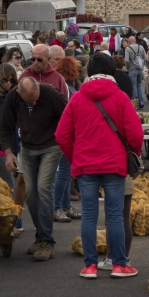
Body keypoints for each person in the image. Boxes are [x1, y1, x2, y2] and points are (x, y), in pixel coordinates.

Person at [55, 53, 143, 278]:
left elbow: (62, 135)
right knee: (114, 215)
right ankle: (119, 265)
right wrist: (135, 152)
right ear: (111, 71)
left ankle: (90, 266)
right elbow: (135, 133)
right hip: (114, 164)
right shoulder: (120, 97)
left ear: (89, 72)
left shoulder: (77, 98)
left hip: (85, 164)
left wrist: (75, 158)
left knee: (89, 216)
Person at [0, 77, 67, 261]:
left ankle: (47, 241)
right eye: (30, 101)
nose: (34, 103)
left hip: (51, 146)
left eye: (36, 99)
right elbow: (5, 127)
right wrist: (8, 153)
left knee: (43, 188)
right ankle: (41, 236)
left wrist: (66, 143)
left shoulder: (52, 94)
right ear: (20, 94)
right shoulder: (12, 98)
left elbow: (69, 117)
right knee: (30, 192)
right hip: (28, 148)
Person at [53, 57, 82, 223]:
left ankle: (65, 206)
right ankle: (58, 207)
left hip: (60, 133)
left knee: (65, 172)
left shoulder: (59, 84)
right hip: (67, 134)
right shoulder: (68, 88)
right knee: (64, 172)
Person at [0, 63, 18, 189]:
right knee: (8, 186)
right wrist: (4, 143)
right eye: (5, 80)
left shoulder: (11, 96)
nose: (8, 83)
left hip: (9, 146)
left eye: (11, 80)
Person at [125, 36, 147, 110]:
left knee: (133, 85)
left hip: (132, 68)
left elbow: (127, 60)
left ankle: (136, 103)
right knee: (139, 85)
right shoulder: (141, 47)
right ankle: (141, 102)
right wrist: (142, 65)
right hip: (140, 68)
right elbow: (145, 57)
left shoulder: (128, 49)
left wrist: (128, 68)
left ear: (129, 41)